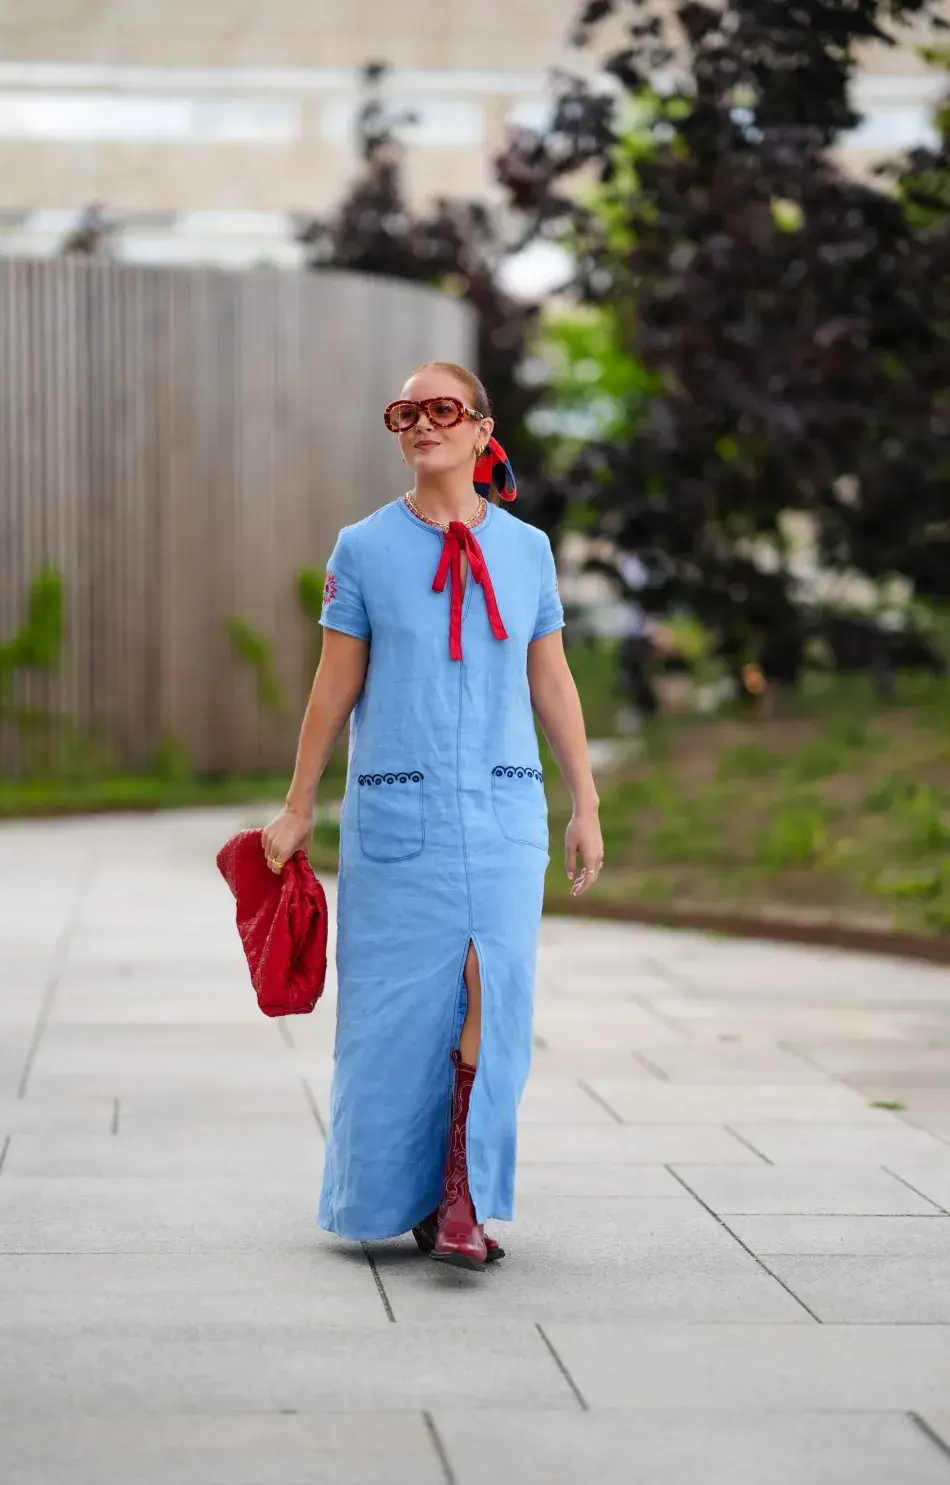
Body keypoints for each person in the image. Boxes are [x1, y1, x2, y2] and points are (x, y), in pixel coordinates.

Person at [262, 361, 603, 1270]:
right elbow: (333, 687)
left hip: (502, 807)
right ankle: (399, 1194)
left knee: (495, 992)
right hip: (396, 816)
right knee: (399, 1013)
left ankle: (462, 1195)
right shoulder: (363, 549)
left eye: (441, 408)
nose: (420, 424)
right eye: (404, 413)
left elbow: (551, 679)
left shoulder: (527, 549)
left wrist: (586, 802)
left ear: (483, 430)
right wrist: (299, 805)